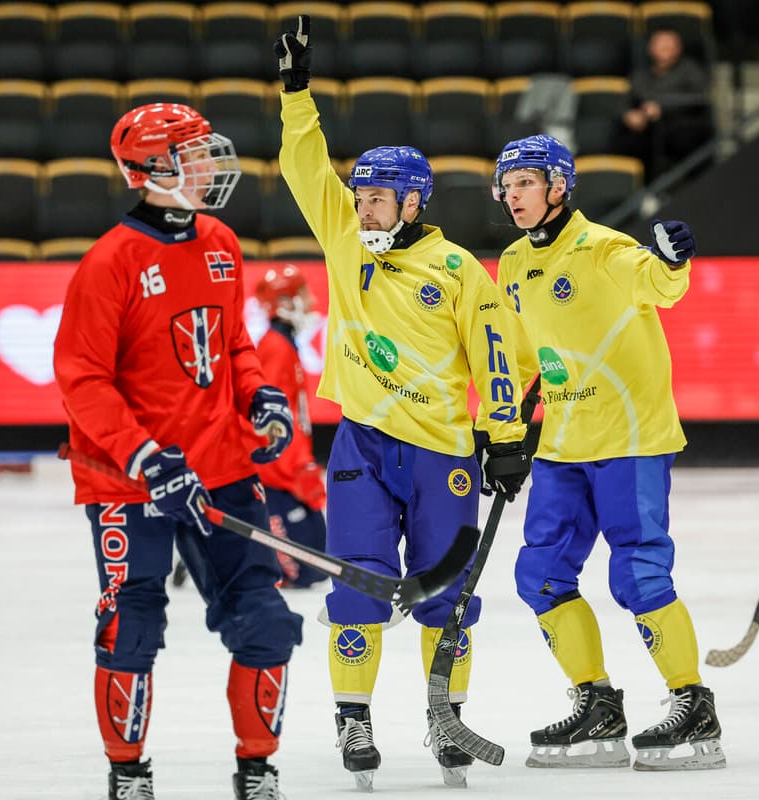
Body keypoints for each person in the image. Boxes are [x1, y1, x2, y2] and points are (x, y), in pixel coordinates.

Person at [273, 15, 533, 790]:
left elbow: (497, 358)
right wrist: (296, 96)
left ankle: (444, 715)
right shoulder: (345, 239)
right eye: (359, 197)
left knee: (446, 597)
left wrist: (506, 436)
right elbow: (304, 169)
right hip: (360, 447)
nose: (363, 209)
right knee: (356, 586)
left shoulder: (458, 270)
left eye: (379, 199)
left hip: (443, 454)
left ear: (414, 201)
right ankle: (353, 720)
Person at [53, 102, 303, 800]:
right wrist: (145, 457)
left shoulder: (222, 241)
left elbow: (231, 345)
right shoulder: (110, 262)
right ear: (151, 171)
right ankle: (127, 770)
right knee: (130, 621)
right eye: (194, 154)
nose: (212, 166)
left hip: (220, 467)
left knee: (266, 620)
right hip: (129, 482)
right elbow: (81, 380)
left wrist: (258, 394)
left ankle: (257, 765)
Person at [492, 133, 726, 772]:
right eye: (507, 185)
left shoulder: (605, 249)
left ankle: (693, 702)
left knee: (638, 575)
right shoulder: (513, 262)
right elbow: (515, 356)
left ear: (559, 187)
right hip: (562, 444)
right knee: (538, 574)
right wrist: (503, 432)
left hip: (630, 439)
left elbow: (660, 284)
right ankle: (596, 704)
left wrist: (673, 259)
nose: (513, 196)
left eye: (526, 184)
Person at [250, 263, 329, 589]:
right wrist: (295, 470)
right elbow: (270, 423)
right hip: (278, 475)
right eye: (301, 295)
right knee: (308, 571)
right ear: (285, 303)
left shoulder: (283, 345)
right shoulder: (275, 349)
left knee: (321, 561)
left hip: (286, 469)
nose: (310, 303)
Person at [615, 27, 713, 180]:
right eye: (661, 43)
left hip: (683, 128)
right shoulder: (641, 75)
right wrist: (628, 114)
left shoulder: (690, 70)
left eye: (671, 43)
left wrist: (661, 106)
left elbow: (700, 97)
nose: (666, 47)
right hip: (647, 133)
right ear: (651, 48)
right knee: (623, 139)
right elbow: (625, 101)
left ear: (679, 48)